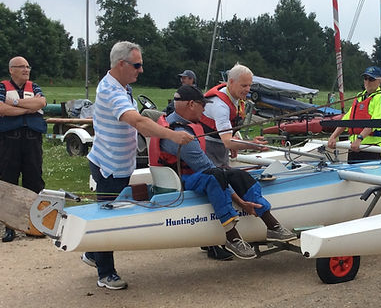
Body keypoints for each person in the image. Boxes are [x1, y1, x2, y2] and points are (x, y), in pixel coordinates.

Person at [81, 41, 194, 290]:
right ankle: (105, 273)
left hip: (119, 164)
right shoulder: (111, 91)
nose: (141, 70)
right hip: (109, 166)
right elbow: (138, 122)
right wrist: (172, 136)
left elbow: (144, 117)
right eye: (137, 65)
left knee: (110, 210)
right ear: (121, 64)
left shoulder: (124, 87)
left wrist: (166, 122)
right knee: (107, 217)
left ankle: (92, 253)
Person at [153, 85, 297, 259]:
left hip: (194, 174)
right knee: (216, 175)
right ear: (191, 104)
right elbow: (209, 169)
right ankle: (232, 236)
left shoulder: (178, 122)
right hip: (182, 180)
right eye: (202, 104)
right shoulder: (180, 135)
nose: (205, 108)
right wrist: (240, 202)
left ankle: (272, 225)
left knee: (237, 173)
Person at [0, 56, 48, 243]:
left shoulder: (35, 87)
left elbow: (41, 104)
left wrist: (15, 103)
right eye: (21, 67)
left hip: (32, 141)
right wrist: (28, 109)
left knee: (34, 182)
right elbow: (0, 108)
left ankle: (34, 225)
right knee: (8, 182)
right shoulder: (1, 87)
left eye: (27, 66)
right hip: (10, 141)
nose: (26, 70)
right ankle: (9, 226)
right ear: (11, 70)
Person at [200, 63, 267, 168]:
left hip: (221, 147)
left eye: (250, 85)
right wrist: (252, 144)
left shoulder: (235, 98)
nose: (248, 89)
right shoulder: (220, 106)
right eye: (244, 85)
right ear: (231, 82)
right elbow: (227, 142)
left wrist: (235, 141)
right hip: (207, 149)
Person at [327, 66, 381, 163]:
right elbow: (346, 120)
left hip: (370, 148)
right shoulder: (359, 97)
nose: (367, 82)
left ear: (379, 81)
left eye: (371, 79)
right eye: (365, 78)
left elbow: (375, 122)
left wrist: (359, 139)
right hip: (354, 146)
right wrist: (333, 136)